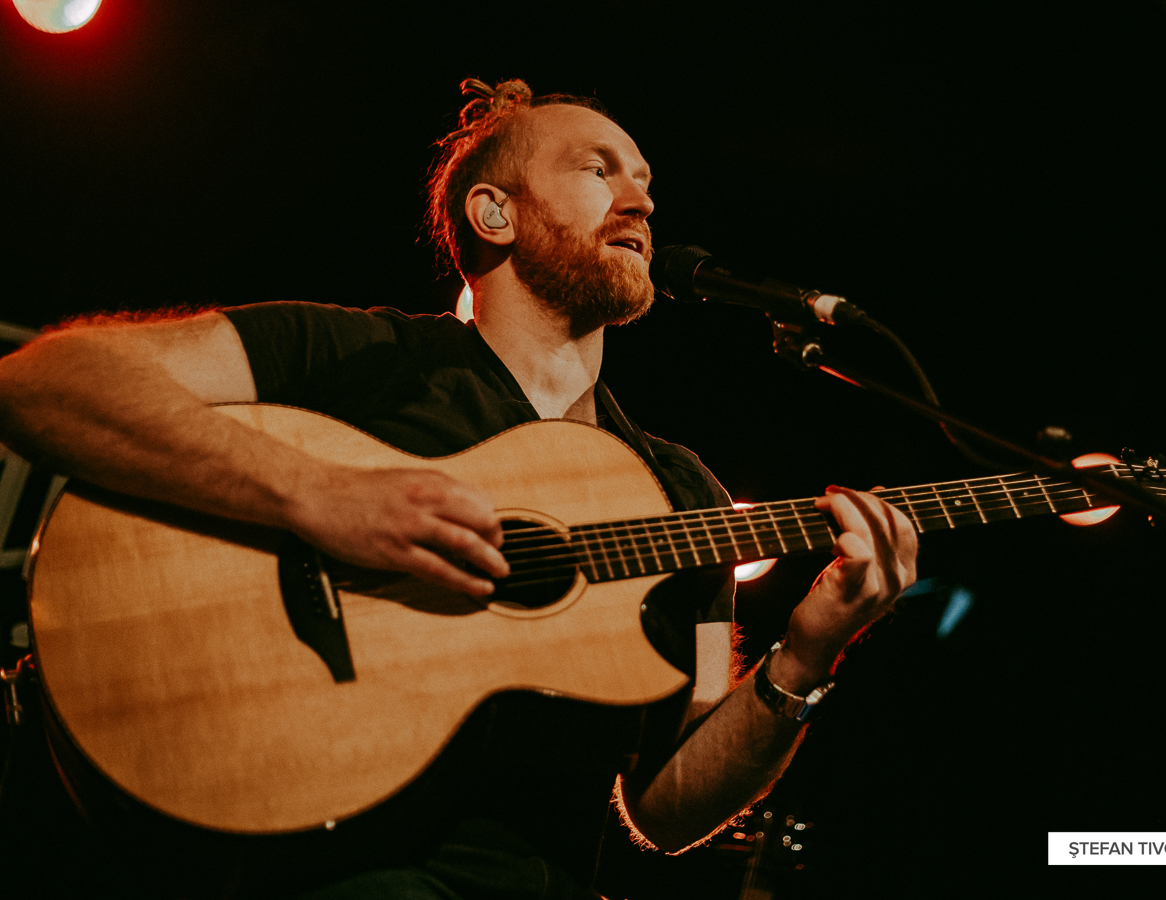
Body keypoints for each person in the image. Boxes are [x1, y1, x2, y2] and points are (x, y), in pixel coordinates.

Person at [0, 78, 918, 899]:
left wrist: (804, 657)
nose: (640, 197)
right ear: (493, 213)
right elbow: (44, 384)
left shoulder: (686, 498)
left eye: (643, 176)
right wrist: (317, 496)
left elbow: (667, 810)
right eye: (599, 169)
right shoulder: (358, 359)